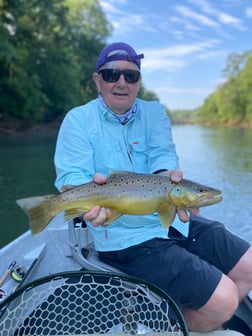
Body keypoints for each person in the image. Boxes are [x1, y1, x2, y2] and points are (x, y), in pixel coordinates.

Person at [54, 42, 252, 332]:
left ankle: (191, 315)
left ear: (139, 82)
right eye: (111, 75)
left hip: (170, 219)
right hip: (123, 236)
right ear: (97, 80)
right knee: (224, 301)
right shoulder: (78, 120)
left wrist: (168, 180)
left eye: (130, 76)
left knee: (248, 266)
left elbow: (163, 158)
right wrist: (87, 205)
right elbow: (71, 177)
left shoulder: (154, 113)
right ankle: (162, 325)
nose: (121, 82)